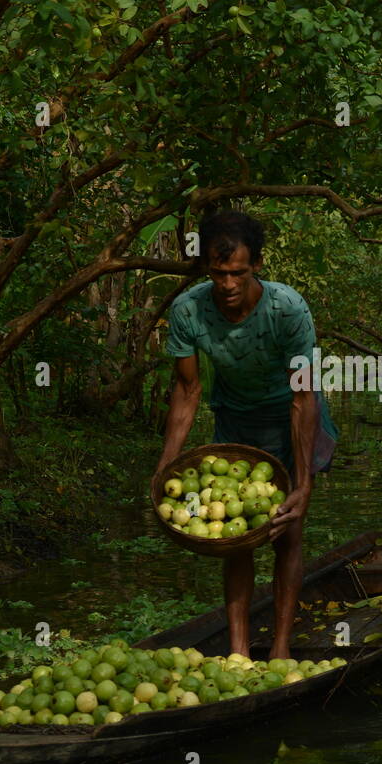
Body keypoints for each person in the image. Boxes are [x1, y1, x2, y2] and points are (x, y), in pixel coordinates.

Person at [154, 210, 339, 658]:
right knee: (233, 541)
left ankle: (279, 649)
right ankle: (239, 652)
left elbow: (302, 397)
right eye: (218, 273)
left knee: (286, 532)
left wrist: (305, 483)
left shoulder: (287, 309)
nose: (228, 284)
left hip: (291, 419)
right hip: (235, 423)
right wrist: (166, 465)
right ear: (206, 269)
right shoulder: (188, 309)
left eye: (237, 272)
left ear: (256, 264)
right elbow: (186, 388)